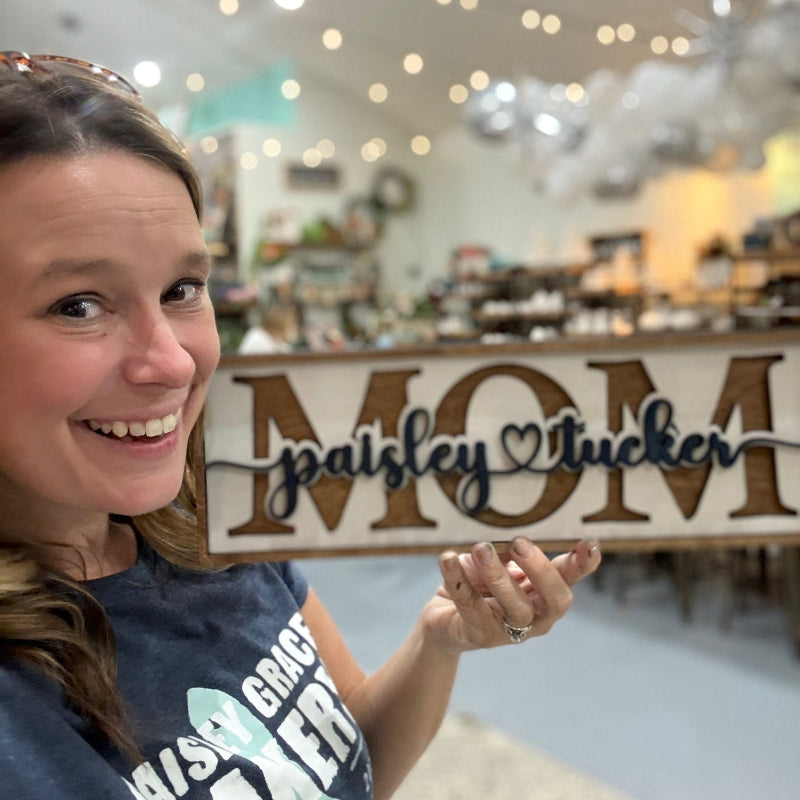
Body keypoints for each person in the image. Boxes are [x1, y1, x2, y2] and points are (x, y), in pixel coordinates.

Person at [0, 51, 601, 800]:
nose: (173, 363)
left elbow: (346, 762)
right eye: (79, 305)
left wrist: (438, 642)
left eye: (183, 288)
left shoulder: (208, 528)